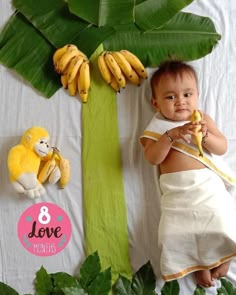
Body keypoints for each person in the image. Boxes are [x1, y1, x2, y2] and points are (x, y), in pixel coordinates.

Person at [140, 60, 236, 288]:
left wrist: (204, 137)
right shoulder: (156, 129)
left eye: (187, 94)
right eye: (170, 97)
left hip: (207, 188)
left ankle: (226, 255)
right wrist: (170, 136)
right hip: (177, 194)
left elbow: (222, 147)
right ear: (155, 103)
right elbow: (152, 158)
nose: (181, 101)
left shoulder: (202, 120)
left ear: (197, 96)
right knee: (173, 233)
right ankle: (200, 264)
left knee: (219, 221)